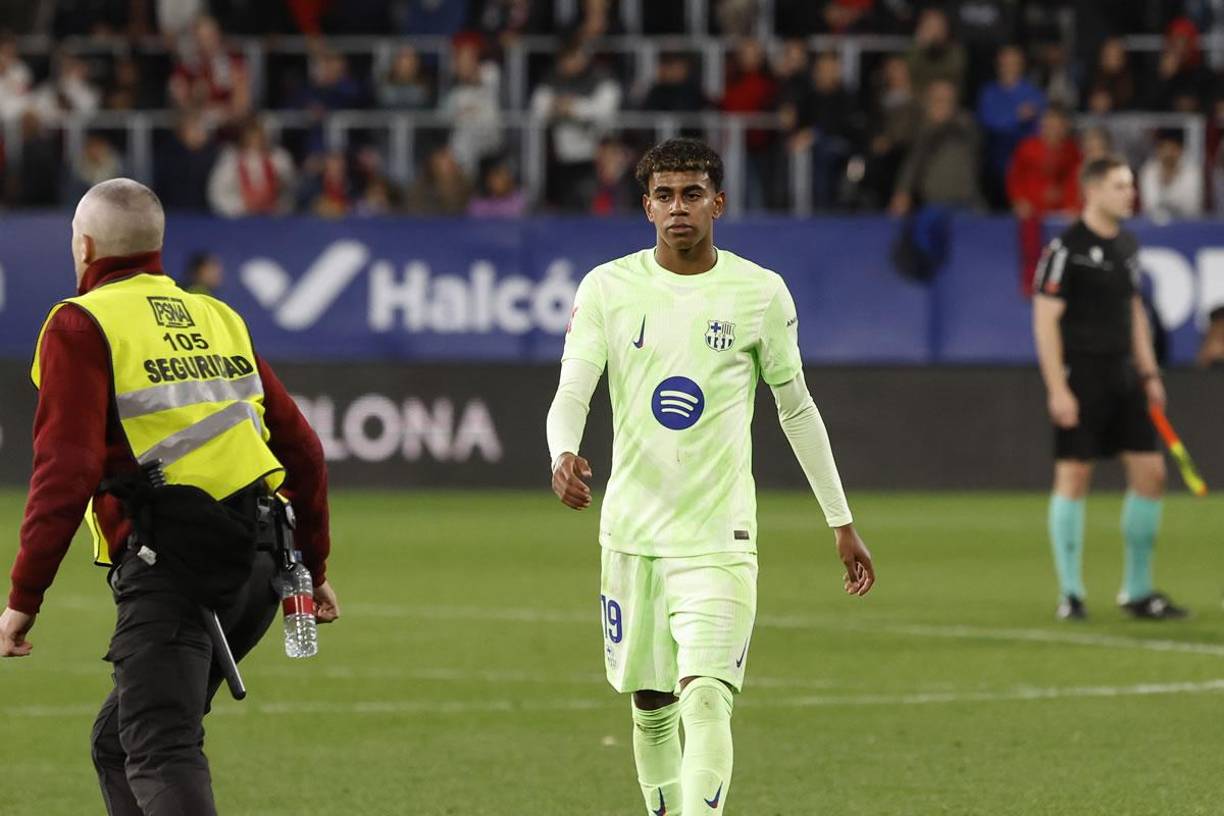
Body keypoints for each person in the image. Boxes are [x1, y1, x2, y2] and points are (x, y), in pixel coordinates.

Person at [545, 138, 875, 816]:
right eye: (664, 196)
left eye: (692, 194)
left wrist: (840, 521)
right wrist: (562, 453)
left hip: (719, 536)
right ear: (646, 207)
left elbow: (797, 408)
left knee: (706, 698)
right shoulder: (608, 287)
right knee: (652, 705)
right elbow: (574, 386)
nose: (678, 208)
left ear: (717, 203)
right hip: (633, 535)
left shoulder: (759, 293)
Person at [0, 179, 340, 814]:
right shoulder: (218, 316)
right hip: (260, 567)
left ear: (84, 246)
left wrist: (23, 598)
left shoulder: (80, 322)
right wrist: (312, 567)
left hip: (177, 568)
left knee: (159, 749)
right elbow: (304, 452)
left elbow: (65, 471)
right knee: (118, 743)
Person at [1031, 156, 1186, 622]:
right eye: (1120, 185)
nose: (1130, 194)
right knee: (1074, 477)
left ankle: (1137, 590)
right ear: (1093, 190)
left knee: (1151, 474)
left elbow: (1133, 311)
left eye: (1130, 185)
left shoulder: (1127, 245)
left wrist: (1150, 373)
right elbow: (1045, 320)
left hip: (1125, 375)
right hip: (1082, 375)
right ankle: (1071, 594)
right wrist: (1057, 388)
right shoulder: (1065, 248)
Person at [1138, 128, 1202, 222]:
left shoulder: (1192, 172)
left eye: (1173, 149)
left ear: (1180, 150)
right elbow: (1150, 206)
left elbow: (1191, 207)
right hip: (1154, 224)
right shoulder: (1148, 171)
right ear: (1158, 150)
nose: (1168, 154)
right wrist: (1162, 180)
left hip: (1187, 223)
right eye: (1164, 148)